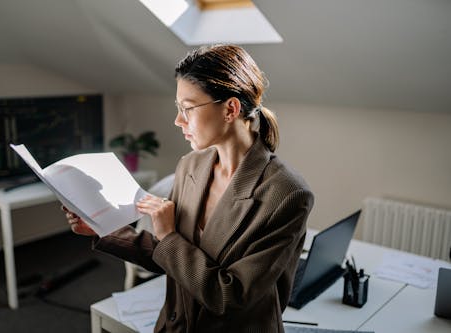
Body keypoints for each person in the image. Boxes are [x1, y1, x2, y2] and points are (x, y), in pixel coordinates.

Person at [63, 44, 314, 332]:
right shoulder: (190, 166)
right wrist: (102, 227)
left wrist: (168, 233)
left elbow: (229, 296)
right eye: (178, 108)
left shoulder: (287, 195)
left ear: (230, 109)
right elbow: (167, 255)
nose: (178, 120)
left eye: (188, 109)